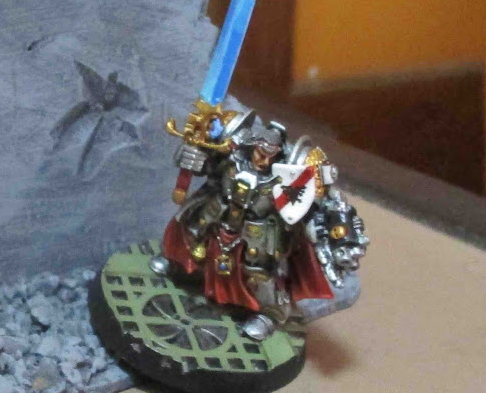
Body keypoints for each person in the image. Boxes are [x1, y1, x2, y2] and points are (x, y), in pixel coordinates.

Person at [151, 107, 368, 340]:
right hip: (219, 210)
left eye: (269, 153)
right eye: (259, 150)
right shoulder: (234, 157)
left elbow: (319, 203)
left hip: (259, 229)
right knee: (192, 233)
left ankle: (269, 316)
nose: (261, 158)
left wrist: (338, 233)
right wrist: (192, 154)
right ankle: (176, 264)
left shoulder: (288, 174)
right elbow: (208, 168)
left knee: (261, 274)